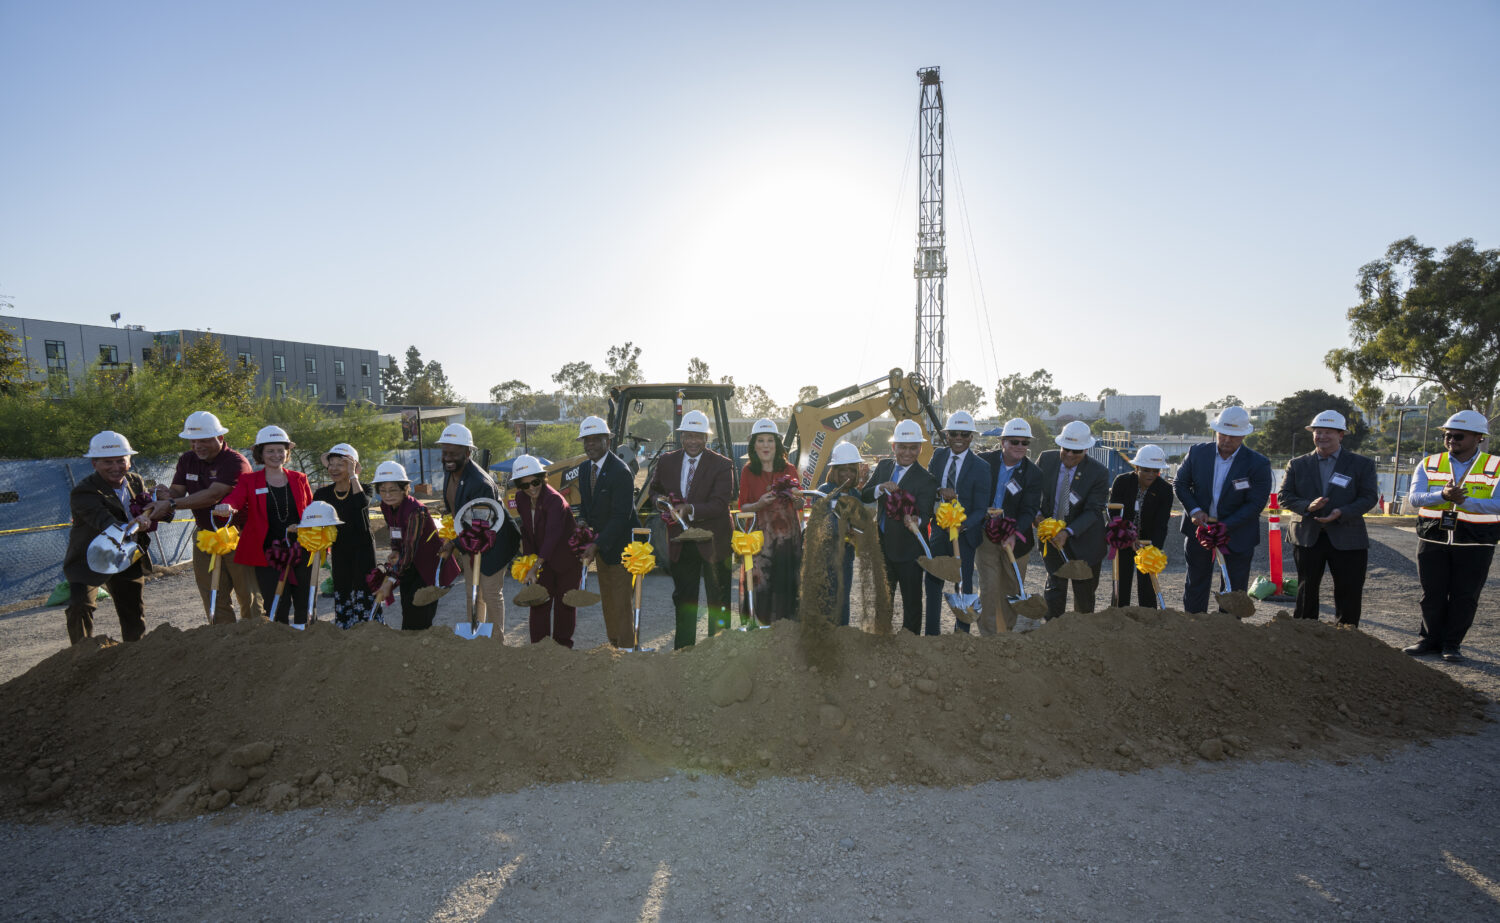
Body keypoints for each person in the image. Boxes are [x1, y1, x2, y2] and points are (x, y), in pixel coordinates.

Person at [1404, 410, 1500, 662]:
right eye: (1447, 435)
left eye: (1458, 436)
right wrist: (1442, 497)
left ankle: (1452, 644)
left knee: (1465, 595)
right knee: (1431, 593)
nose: (1451, 440)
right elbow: (1415, 498)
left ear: (1478, 437)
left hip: (1476, 540)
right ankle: (1428, 639)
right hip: (1433, 538)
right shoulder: (1429, 464)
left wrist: (1465, 502)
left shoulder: (1496, 467)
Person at [152, 410, 262, 622]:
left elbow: (213, 495)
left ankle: (254, 638)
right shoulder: (187, 460)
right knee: (213, 594)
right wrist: (166, 494)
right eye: (192, 441)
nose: (197, 446)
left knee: (247, 594)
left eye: (203, 440)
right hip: (205, 535)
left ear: (220, 438)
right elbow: (177, 490)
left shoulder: (235, 462)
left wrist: (171, 503)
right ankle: (222, 642)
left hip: (237, 536)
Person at [1277, 411, 1379, 627]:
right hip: (1307, 535)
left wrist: (1341, 512)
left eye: (1328, 432)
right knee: (1307, 587)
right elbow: (1283, 496)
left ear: (1341, 435)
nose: (1322, 436)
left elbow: (1369, 497)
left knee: (1349, 588)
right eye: (1318, 432)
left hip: (1347, 534)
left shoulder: (1362, 464)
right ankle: (1304, 632)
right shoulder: (1297, 464)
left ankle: (1346, 633)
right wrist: (1308, 506)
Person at [62, 432, 163, 644]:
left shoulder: (135, 481)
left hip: (125, 556)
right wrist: (134, 525)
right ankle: (81, 654)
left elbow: (145, 507)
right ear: (94, 464)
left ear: (129, 461)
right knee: (80, 605)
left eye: (121, 461)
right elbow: (103, 520)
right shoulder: (83, 491)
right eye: (108, 462)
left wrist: (155, 504)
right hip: (89, 557)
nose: (116, 467)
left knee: (133, 612)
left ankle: (134, 654)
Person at [648, 409, 734, 648]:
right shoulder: (667, 461)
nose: (693, 441)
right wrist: (660, 502)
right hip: (681, 542)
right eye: (688, 435)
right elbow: (654, 490)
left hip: (714, 543)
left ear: (707, 438)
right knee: (685, 599)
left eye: (698, 436)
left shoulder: (722, 465)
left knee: (718, 599)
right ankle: (684, 653)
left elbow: (719, 504)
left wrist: (689, 509)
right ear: (681, 436)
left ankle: (717, 653)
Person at [1174, 406, 1273, 614]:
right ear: (1216, 431)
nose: (1227, 440)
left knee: (1233, 588)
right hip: (1199, 531)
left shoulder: (1258, 464)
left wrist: (1223, 527)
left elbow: (1255, 504)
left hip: (1237, 534)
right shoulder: (1197, 453)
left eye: (1234, 436)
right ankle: (1194, 626)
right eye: (1223, 434)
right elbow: (1180, 483)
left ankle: (1229, 632)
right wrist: (1194, 510)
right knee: (1196, 583)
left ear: (1245, 435)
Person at [215, 425, 314, 624]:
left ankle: (308, 644)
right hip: (268, 553)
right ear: (261, 453)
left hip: (301, 549)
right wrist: (227, 506)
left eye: (280, 450)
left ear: (287, 453)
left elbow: (311, 510)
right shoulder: (249, 480)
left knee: (306, 601)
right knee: (277, 603)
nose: (276, 455)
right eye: (270, 451)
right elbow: (235, 499)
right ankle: (279, 648)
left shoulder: (299, 478)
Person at [436, 423, 518, 634]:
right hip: (469, 542)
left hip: (494, 542)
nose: (447, 458)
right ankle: (476, 637)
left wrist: (454, 543)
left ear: (467, 452)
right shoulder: (450, 471)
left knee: (490, 593)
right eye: (445, 452)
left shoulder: (480, 482)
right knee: (472, 591)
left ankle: (495, 643)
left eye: (453, 453)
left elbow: (481, 528)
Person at [860, 419, 938, 635]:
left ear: (920, 449)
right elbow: (865, 494)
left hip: (909, 551)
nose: (907, 452)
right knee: (883, 600)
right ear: (893, 447)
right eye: (902, 447)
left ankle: (909, 644)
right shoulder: (884, 467)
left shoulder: (926, 480)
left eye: (913, 448)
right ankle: (881, 637)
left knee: (912, 603)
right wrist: (879, 488)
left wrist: (916, 521)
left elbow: (926, 513)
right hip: (882, 546)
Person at [574, 415, 638, 648]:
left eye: (595, 439)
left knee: (621, 603)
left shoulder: (620, 472)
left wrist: (596, 544)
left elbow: (621, 517)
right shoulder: (583, 469)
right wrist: (582, 521)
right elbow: (586, 506)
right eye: (586, 440)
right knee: (608, 601)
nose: (589, 444)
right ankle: (614, 647)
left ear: (607, 442)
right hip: (601, 546)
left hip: (620, 546)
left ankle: (626, 650)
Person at [923, 410, 990, 634]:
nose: (959, 438)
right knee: (933, 580)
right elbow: (928, 486)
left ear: (971, 436)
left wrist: (964, 525)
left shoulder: (981, 467)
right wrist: (939, 490)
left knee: (963, 583)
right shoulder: (939, 456)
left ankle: (961, 635)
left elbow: (981, 508)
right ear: (947, 435)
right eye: (954, 433)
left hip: (964, 535)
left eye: (964, 433)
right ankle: (932, 633)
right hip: (940, 531)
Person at [975, 418, 1043, 633]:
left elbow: (1029, 510)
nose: (1020, 447)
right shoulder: (983, 462)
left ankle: (1005, 635)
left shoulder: (1034, 474)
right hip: (986, 534)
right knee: (989, 587)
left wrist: (1014, 532)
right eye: (1014, 441)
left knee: (1011, 589)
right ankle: (988, 636)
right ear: (1002, 441)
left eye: (1025, 443)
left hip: (1016, 541)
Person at [1035, 420, 1110, 618]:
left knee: (1084, 596)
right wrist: (1037, 516)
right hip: (1052, 539)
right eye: (1065, 449)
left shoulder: (1099, 473)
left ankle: (1082, 638)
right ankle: (1052, 631)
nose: (1069, 454)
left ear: (1086, 450)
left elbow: (1094, 511)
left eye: (1075, 451)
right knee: (1054, 591)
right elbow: (1031, 492)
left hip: (1085, 542)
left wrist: (1067, 532)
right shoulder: (1046, 459)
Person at [737, 418, 804, 626]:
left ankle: (785, 631)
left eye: (770, 440)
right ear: (753, 446)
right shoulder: (748, 471)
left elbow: (800, 505)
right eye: (761, 440)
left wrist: (796, 498)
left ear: (777, 444)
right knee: (761, 585)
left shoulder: (789, 469)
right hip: (760, 541)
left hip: (787, 540)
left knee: (786, 585)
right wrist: (758, 504)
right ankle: (760, 629)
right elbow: (742, 508)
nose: (766, 445)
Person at [511, 454, 584, 647]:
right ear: (519, 486)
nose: (531, 488)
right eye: (525, 485)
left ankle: (562, 648)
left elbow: (552, 536)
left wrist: (536, 566)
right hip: (541, 560)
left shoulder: (554, 500)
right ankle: (539, 648)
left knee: (565, 605)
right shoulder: (521, 498)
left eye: (535, 482)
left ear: (542, 478)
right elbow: (526, 531)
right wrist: (528, 563)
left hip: (566, 560)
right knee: (539, 602)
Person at [371, 461, 453, 630]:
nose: (387, 495)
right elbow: (394, 531)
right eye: (383, 490)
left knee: (419, 616)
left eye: (393, 489)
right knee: (408, 610)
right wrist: (394, 550)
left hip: (428, 567)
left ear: (404, 488)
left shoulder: (416, 511)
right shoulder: (386, 507)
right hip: (408, 566)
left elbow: (409, 547)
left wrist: (390, 580)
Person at [312, 443, 380, 627]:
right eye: (331, 464)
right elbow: (314, 517)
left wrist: (353, 475)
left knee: (364, 586)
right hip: (340, 548)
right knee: (342, 586)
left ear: (353, 466)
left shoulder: (364, 488)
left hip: (363, 548)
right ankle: (345, 628)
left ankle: (370, 627)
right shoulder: (322, 493)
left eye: (340, 464)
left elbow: (360, 504)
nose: (333, 468)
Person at [1108, 444, 1175, 609]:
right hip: (1123, 538)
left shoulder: (1165, 490)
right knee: (1122, 579)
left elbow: (1161, 523)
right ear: (1137, 467)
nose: (1151, 474)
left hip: (1149, 540)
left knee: (1147, 583)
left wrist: (1153, 549)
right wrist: (1128, 538)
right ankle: (1119, 613)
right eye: (1146, 470)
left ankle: (1148, 616)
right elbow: (1114, 514)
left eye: (1155, 471)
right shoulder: (1122, 482)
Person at [816, 441, 867, 627]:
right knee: (827, 598)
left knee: (843, 598)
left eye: (852, 470)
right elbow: (818, 521)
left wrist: (857, 530)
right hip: (825, 556)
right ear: (834, 470)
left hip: (846, 556)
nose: (848, 474)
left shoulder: (856, 493)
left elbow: (861, 524)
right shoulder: (824, 491)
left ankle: (842, 635)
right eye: (842, 469)